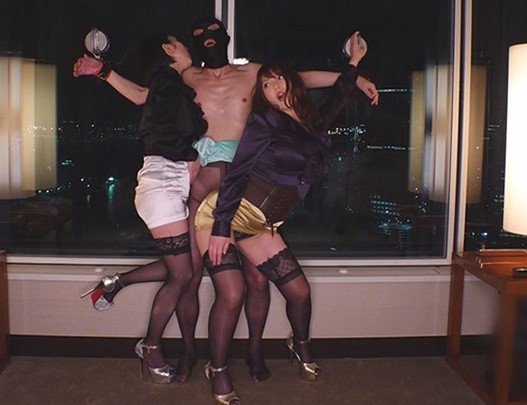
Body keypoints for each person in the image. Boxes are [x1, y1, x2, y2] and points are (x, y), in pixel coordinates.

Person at [74, 16, 379, 384]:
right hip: (200, 181)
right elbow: (142, 96)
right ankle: (189, 353)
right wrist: (104, 72)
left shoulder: (254, 74)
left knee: (257, 280)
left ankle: (253, 351)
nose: (206, 37)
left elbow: (300, 79)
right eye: (197, 35)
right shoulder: (185, 77)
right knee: (188, 275)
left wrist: (353, 77)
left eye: (212, 32)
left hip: (247, 183)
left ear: (226, 36)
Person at [193, 30, 368, 405]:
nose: (275, 88)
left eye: (279, 80)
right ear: (263, 94)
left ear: (291, 82)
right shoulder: (263, 122)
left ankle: (299, 343)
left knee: (299, 292)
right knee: (233, 294)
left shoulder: (310, 123)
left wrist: (353, 64)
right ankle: (217, 369)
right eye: (267, 85)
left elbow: (337, 98)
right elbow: (237, 174)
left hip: (261, 225)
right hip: (224, 216)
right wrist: (221, 228)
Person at [79, 32, 206, 384]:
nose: (188, 48)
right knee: (182, 276)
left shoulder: (165, 84)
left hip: (164, 182)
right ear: (168, 49)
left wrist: (102, 71)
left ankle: (115, 283)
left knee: (184, 269)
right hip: (163, 182)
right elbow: (180, 128)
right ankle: (150, 346)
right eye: (181, 43)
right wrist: (192, 152)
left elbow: (139, 97)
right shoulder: (170, 81)